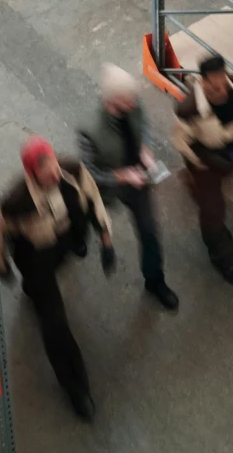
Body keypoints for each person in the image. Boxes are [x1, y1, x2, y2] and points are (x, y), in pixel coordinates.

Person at [0, 136, 116, 421]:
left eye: (53, 166)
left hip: (64, 239)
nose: (53, 175)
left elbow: (94, 198)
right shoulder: (17, 201)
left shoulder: (72, 170)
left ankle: (38, 286)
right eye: (45, 173)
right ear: (31, 174)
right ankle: (76, 387)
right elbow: (0, 232)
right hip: (36, 254)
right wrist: (2, 263)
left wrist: (107, 240)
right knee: (54, 324)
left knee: (80, 218)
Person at [78, 64, 179, 311]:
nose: (135, 103)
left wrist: (144, 148)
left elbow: (142, 124)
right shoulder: (89, 129)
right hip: (106, 188)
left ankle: (155, 281)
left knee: (149, 231)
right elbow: (89, 172)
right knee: (86, 216)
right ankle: (77, 238)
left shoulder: (133, 105)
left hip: (137, 182)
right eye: (128, 100)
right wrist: (121, 176)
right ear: (112, 101)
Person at [172, 55, 233, 285]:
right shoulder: (189, 109)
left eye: (223, 81)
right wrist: (199, 164)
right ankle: (222, 257)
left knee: (226, 177)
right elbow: (181, 141)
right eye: (214, 86)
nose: (222, 90)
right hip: (205, 158)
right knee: (212, 210)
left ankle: (194, 183)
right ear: (202, 82)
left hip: (232, 153)